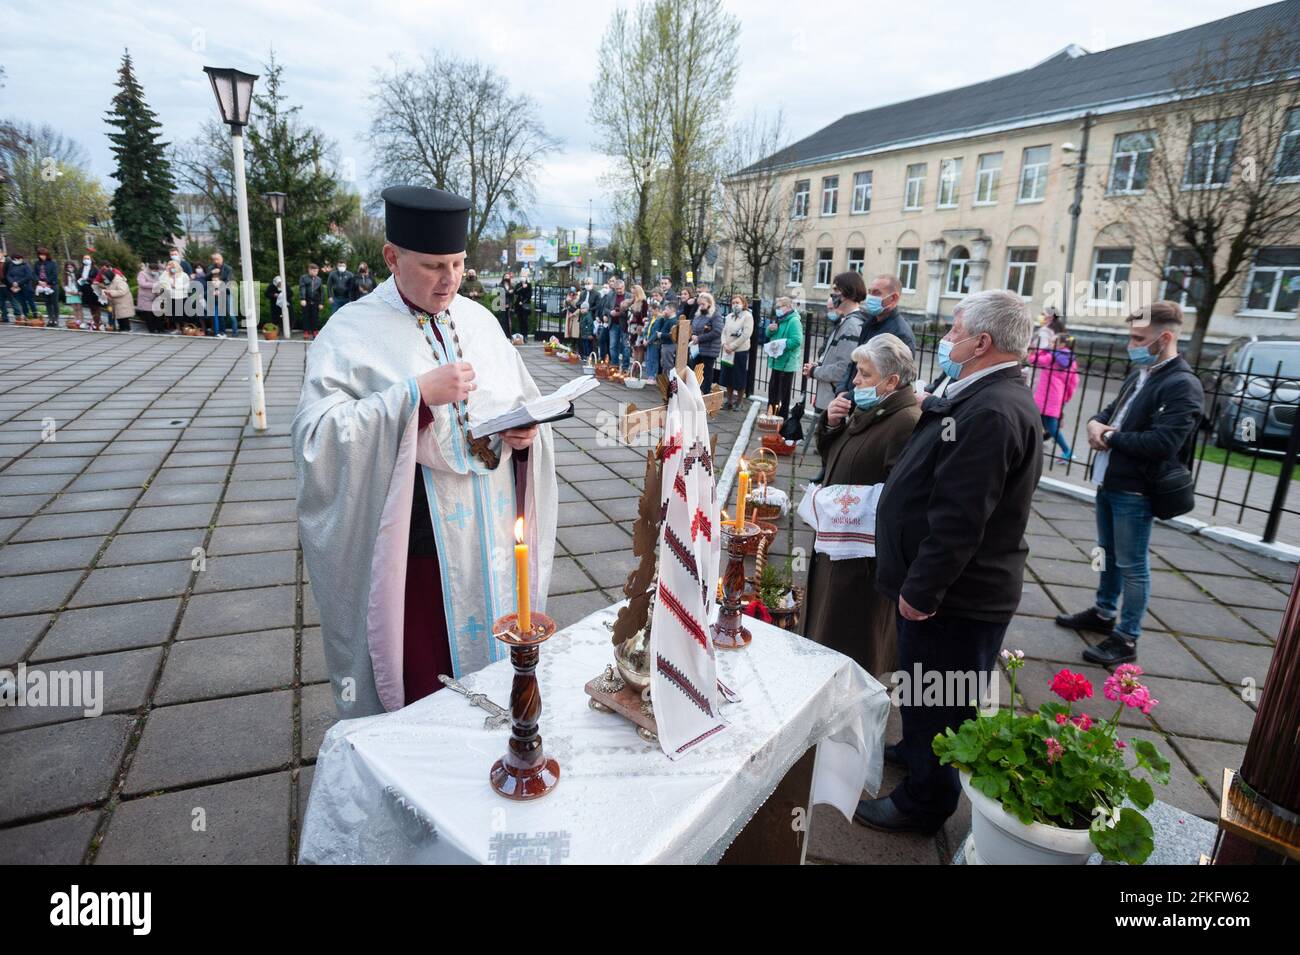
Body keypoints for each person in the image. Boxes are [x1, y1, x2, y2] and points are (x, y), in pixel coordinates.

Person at [293, 184, 558, 718]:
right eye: (435, 265)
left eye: (458, 264)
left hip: (491, 537)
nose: (450, 280)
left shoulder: (480, 321)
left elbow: (519, 401)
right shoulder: (351, 332)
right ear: (392, 257)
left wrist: (524, 435)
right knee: (424, 680)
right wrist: (414, 395)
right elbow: (317, 439)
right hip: (417, 547)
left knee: (495, 668)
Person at [862, 289, 1041, 835]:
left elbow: (962, 518)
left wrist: (922, 589)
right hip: (947, 590)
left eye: (955, 331)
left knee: (943, 698)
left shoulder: (991, 409)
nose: (946, 340)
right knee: (925, 688)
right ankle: (917, 751)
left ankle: (923, 804)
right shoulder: (980, 393)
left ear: (982, 342)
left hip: (958, 597)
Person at [1056, 301, 1204, 666]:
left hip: (1137, 490)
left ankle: (1127, 637)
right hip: (1112, 482)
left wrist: (1109, 437)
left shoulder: (1182, 385)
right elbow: (1109, 413)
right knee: (1107, 554)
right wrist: (1094, 423)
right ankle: (1104, 613)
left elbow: (1164, 443)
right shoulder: (1142, 373)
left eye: (1138, 337)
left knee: (1132, 564)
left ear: (1164, 338)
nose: (1131, 344)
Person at [803, 334, 921, 674]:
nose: (855, 381)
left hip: (861, 559)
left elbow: (898, 498)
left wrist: (842, 503)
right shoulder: (869, 409)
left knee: (850, 638)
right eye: (857, 371)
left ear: (891, 381)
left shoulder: (904, 422)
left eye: (865, 374)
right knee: (827, 625)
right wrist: (831, 424)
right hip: (837, 544)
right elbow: (840, 457)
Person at [1029, 332, 1080, 461]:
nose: (1050, 344)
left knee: (1048, 425)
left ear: (1061, 344)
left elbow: (1032, 360)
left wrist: (1041, 351)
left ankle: (1067, 451)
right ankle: (1032, 448)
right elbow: (1074, 380)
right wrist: (1066, 396)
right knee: (1040, 423)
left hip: (1046, 396)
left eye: (1053, 342)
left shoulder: (1052, 356)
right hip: (1056, 395)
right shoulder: (1069, 358)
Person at [765, 296, 803, 419]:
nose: (777, 309)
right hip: (777, 361)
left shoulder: (794, 321)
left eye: (779, 307)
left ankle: (781, 419)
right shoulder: (780, 319)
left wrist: (781, 346)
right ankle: (771, 416)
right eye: (777, 307)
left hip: (786, 364)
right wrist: (770, 330)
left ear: (788, 307)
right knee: (773, 392)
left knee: (782, 395)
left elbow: (797, 341)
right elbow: (769, 334)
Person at [720, 293, 753, 410]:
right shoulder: (729, 316)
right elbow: (724, 332)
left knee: (739, 377)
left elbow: (745, 335)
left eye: (737, 303)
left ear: (743, 303)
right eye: (733, 303)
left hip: (739, 351)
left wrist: (732, 346)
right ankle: (728, 401)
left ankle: (739, 402)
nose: (735, 305)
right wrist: (724, 344)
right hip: (727, 351)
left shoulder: (747, 316)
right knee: (727, 376)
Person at [688, 290, 722, 393]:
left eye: (703, 304)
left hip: (709, 348)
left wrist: (699, 338)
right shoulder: (699, 314)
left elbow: (717, 331)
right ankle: (695, 390)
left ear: (709, 303)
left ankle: (705, 392)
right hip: (698, 348)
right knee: (694, 369)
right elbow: (694, 326)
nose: (701, 306)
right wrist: (693, 334)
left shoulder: (715, 315)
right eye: (699, 304)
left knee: (707, 372)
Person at [99, 263, 135, 332]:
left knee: (124, 317)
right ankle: (122, 329)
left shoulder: (119, 280)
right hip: (117, 303)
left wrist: (109, 292)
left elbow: (122, 291)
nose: (104, 279)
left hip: (123, 302)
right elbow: (109, 289)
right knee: (119, 317)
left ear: (109, 276)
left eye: (105, 278)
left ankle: (127, 329)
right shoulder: (110, 281)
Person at [208, 253, 235, 337]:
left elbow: (228, 281)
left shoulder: (228, 268)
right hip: (213, 293)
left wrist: (220, 289)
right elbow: (206, 278)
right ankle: (217, 331)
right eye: (214, 259)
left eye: (217, 259)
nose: (216, 261)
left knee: (230, 313)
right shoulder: (211, 268)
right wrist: (211, 273)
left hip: (225, 292)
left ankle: (235, 331)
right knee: (216, 314)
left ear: (222, 259)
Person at [5, 252, 35, 320]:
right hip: (17, 288)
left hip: (26, 286)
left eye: (18, 259)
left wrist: (18, 282)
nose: (17, 260)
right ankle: (26, 316)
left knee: (31, 302)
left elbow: (29, 276)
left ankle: (35, 315)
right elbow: (8, 275)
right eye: (15, 259)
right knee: (22, 302)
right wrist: (12, 282)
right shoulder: (11, 266)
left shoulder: (25, 265)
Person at [35, 248, 60, 326]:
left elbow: (54, 274)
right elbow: (34, 273)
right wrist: (39, 281)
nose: (42, 256)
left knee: (54, 302)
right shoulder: (37, 263)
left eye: (43, 255)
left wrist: (46, 282)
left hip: (52, 285)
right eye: (40, 255)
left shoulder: (52, 263)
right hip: (42, 285)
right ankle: (50, 319)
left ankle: (55, 319)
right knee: (47, 303)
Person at [74, 254, 101, 327]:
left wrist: (88, 279)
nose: (86, 260)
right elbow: (77, 279)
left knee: (96, 306)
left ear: (91, 259)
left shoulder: (95, 268)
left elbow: (98, 278)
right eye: (85, 258)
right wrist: (79, 289)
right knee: (91, 306)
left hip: (93, 289)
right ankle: (94, 322)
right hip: (85, 289)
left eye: (88, 258)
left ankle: (97, 322)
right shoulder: (81, 269)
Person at [299, 264, 324, 340]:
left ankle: (315, 331)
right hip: (306, 300)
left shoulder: (319, 279)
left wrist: (321, 303)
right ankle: (306, 331)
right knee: (306, 316)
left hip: (316, 300)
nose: (315, 272)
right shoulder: (304, 278)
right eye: (314, 271)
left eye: (317, 271)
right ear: (309, 270)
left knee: (315, 316)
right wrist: (302, 298)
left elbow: (321, 292)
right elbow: (302, 288)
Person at [136, 261, 162, 333]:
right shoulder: (142, 274)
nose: (155, 272)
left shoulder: (156, 275)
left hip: (154, 297)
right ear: (150, 269)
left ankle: (159, 329)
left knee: (156, 314)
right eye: (154, 270)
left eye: (156, 270)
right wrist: (153, 285)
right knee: (148, 314)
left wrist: (158, 292)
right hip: (145, 297)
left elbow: (158, 283)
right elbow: (142, 284)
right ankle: (151, 330)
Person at [512, 272, 533, 338]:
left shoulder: (529, 285)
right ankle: (521, 334)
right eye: (522, 276)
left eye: (524, 276)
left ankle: (525, 335)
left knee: (525, 320)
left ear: (526, 277)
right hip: (518, 305)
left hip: (525, 304)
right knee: (520, 320)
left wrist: (523, 302)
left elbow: (529, 295)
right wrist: (522, 287)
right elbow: (515, 292)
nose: (523, 277)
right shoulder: (518, 285)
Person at [62, 262, 82, 326]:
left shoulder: (77, 274)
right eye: (68, 267)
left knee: (79, 308)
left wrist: (78, 291)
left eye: (71, 267)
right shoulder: (65, 275)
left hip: (77, 293)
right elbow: (64, 285)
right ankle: (76, 321)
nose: (70, 268)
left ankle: (80, 322)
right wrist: (70, 291)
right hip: (70, 293)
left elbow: (80, 283)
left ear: (74, 267)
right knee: (74, 308)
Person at [496, 272, 514, 337]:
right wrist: (509, 292)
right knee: (503, 320)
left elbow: (512, 296)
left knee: (508, 321)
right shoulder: (500, 285)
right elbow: (500, 295)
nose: (507, 277)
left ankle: (509, 335)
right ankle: (503, 335)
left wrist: (510, 304)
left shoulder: (511, 286)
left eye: (508, 276)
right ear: (503, 277)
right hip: (502, 305)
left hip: (509, 305)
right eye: (505, 276)